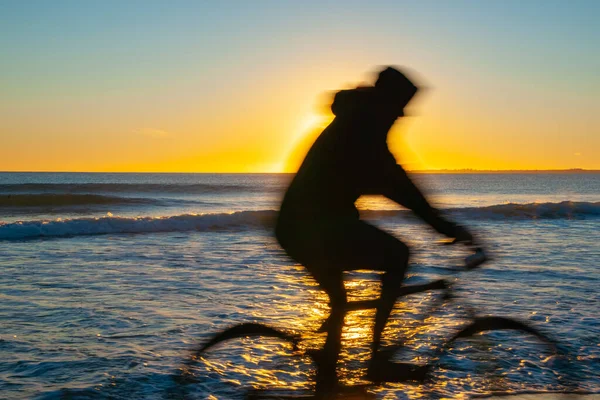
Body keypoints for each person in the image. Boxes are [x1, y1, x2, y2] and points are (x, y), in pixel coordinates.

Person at [275, 66, 474, 394]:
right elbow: (398, 186)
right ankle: (374, 361)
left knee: (340, 302)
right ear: (385, 103)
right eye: (397, 108)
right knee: (398, 254)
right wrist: (443, 226)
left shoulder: (357, 122)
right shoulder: (360, 130)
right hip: (312, 229)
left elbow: (395, 180)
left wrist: (439, 223)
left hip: (305, 227)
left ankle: (327, 379)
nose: (399, 117)